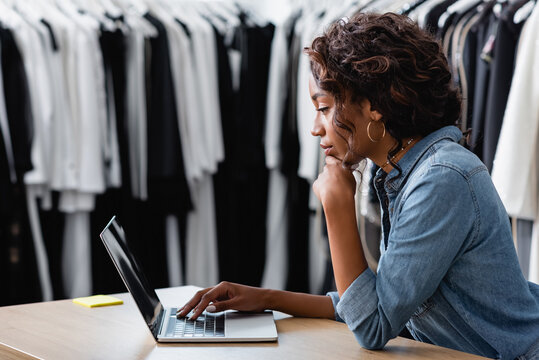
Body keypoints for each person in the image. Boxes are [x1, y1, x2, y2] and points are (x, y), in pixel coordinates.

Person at [177, 12, 539, 360]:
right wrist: (265, 298)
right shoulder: (406, 171)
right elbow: (375, 302)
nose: (315, 128)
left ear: (374, 106)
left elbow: (373, 325)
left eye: (323, 107)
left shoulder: (441, 179)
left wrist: (337, 207)